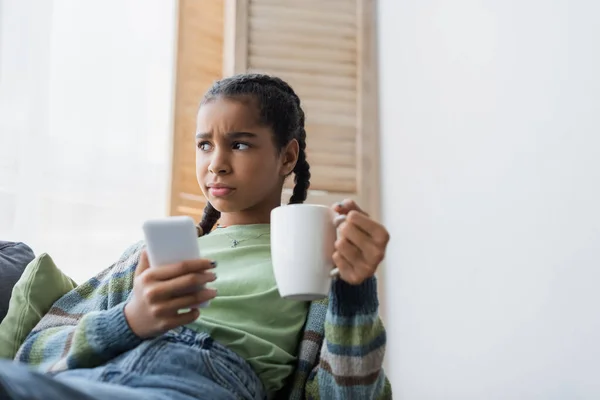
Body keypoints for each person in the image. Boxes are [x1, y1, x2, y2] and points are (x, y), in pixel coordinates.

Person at [0, 74, 392, 399]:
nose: (216, 164)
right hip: (95, 379)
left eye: (239, 144)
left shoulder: (319, 266)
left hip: (201, 385)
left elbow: (350, 395)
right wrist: (128, 321)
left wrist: (354, 291)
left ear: (287, 157)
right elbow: (32, 352)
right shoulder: (149, 255)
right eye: (205, 145)